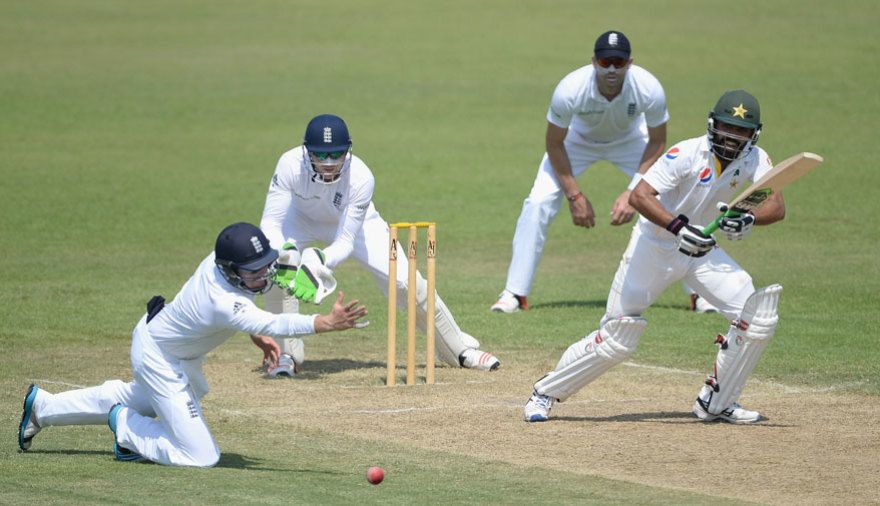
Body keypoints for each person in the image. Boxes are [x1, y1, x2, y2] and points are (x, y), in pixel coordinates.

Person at [523, 90, 786, 424]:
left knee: (758, 316)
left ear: (754, 134)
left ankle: (717, 403)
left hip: (702, 253)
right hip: (655, 247)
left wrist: (748, 217)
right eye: (726, 128)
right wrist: (678, 227)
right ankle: (544, 393)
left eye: (741, 132)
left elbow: (776, 205)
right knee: (618, 337)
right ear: (712, 125)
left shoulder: (755, 159)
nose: (732, 138)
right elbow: (640, 196)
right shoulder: (686, 154)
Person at [18, 222, 368, 466]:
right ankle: (127, 430)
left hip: (169, 347)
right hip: (159, 356)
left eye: (265, 266)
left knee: (147, 397)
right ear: (231, 270)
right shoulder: (221, 299)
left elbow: (249, 313)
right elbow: (268, 320)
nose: (263, 276)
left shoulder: (218, 265)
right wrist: (325, 323)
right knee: (202, 456)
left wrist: (254, 328)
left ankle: (43, 408)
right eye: (253, 272)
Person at [252, 114, 500, 378]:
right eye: (320, 155)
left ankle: (457, 350)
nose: (328, 163)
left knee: (408, 283)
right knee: (278, 271)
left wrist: (319, 259)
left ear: (348, 150)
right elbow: (270, 223)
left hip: (358, 224)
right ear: (306, 151)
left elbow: (345, 242)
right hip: (299, 220)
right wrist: (286, 255)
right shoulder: (289, 164)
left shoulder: (361, 176)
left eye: (336, 154)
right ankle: (286, 355)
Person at [491, 30, 677, 313]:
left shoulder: (649, 88)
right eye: (605, 63)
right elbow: (554, 143)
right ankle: (514, 294)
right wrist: (574, 196)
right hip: (576, 143)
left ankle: (700, 296)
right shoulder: (570, 89)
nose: (612, 69)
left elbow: (658, 142)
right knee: (537, 202)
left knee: (674, 200)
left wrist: (633, 192)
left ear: (630, 63)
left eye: (618, 62)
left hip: (631, 142)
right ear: (594, 62)